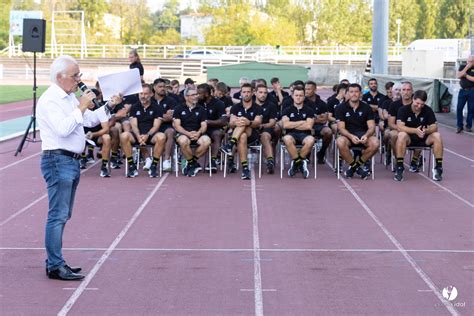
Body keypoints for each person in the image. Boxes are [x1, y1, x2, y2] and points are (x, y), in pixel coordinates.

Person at [37, 55, 122, 280]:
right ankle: (55, 265)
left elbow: (91, 120)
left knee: (64, 214)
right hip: (57, 159)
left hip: (70, 160)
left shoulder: (69, 98)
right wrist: (81, 106)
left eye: (79, 75)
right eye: (75, 76)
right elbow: (63, 130)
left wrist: (110, 105)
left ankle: (55, 262)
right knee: (58, 215)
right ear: (59, 77)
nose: (78, 80)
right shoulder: (50, 100)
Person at [394, 90, 444, 181]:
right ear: (413, 99)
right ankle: (400, 167)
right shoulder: (403, 110)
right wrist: (415, 131)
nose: (419, 106)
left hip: (423, 138)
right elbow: (400, 127)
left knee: (437, 135)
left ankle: (438, 168)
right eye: (417, 103)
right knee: (401, 135)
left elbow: (434, 126)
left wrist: (427, 130)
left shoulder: (428, 110)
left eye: (422, 104)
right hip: (409, 138)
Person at [120, 83, 166, 178]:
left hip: (151, 135)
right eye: (141, 94)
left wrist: (147, 135)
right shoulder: (134, 107)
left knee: (162, 136)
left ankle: (153, 166)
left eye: (145, 94)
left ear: (151, 94)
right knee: (124, 136)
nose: (143, 96)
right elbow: (134, 125)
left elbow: (156, 126)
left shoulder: (157, 107)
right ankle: (132, 167)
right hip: (137, 135)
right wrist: (138, 136)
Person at [335, 83, 379, 179]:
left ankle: (354, 167)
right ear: (347, 94)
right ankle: (356, 167)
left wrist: (366, 135)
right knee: (340, 141)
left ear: (360, 94)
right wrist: (351, 136)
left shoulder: (367, 108)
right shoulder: (340, 108)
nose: (354, 94)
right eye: (351, 92)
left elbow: (371, 127)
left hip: (363, 135)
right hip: (348, 136)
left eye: (356, 92)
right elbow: (341, 128)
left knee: (375, 142)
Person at [221, 83, 263, 180]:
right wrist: (237, 121)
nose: (246, 94)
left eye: (248, 92)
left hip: (253, 135)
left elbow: (258, 122)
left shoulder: (257, 107)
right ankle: (245, 169)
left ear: (252, 93)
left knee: (244, 123)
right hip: (239, 136)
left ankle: (230, 145)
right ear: (241, 93)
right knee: (242, 136)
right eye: (244, 92)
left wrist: (248, 122)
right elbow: (231, 124)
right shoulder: (235, 107)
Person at [173, 87, 211, 177]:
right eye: (193, 95)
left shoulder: (201, 109)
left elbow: (204, 126)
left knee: (207, 141)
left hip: (198, 133)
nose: (196, 97)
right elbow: (177, 126)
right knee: (183, 141)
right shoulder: (178, 108)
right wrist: (188, 133)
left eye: (196, 94)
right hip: (183, 133)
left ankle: (191, 162)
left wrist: (198, 133)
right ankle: (192, 164)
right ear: (186, 97)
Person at [281, 86, 315, 178]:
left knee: (311, 140)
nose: (298, 97)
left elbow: (309, 126)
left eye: (301, 95)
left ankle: (296, 163)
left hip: (305, 135)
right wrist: (301, 122)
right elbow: (285, 125)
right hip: (291, 134)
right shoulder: (287, 110)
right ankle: (300, 162)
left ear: (304, 97)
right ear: (292, 96)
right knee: (286, 139)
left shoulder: (309, 110)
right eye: (296, 95)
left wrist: (293, 123)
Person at [197, 83, 227, 172]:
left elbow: (223, 121)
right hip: (199, 128)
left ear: (206, 94)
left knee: (217, 134)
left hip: (214, 128)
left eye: (199, 94)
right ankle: (192, 161)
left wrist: (208, 122)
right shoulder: (197, 103)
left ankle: (213, 161)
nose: (197, 96)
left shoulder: (219, 103)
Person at [152, 78, 178, 171]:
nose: (163, 88)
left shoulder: (171, 101)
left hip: (165, 126)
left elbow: (171, 117)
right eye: (160, 87)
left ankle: (166, 160)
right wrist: (163, 115)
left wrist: (157, 117)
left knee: (171, 132)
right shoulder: (149, 100)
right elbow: (147, 117)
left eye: (164, 87)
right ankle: (148, 159)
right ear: (154, 88)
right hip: (151, 126)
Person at [304, 81, 332, 164]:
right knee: (307, 131)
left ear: (315, 90)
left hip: (318, 127)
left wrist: (313, 119)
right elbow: (302, 119)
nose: (306, 91)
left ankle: (321, 153)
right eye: (305, 89)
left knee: (328, 132)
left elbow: (324, 120)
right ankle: (306, 155)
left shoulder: (322, 103)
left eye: (309, 89)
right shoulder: (302, 102)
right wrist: (316, 118)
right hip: (304, 126)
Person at [254, 84, 278, 174]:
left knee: (265, 136)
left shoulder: (271, 105)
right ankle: (230, 160)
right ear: (255, 93)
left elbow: (272, 122)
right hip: (251, 129)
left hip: (266, 128)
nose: (263, 95)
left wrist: (262, 126)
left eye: (265, 93)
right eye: (260, 92)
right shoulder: (250, 104)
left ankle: (270, 161)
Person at [456, 55, 474, 133]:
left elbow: (473, 79)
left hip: (472, 91)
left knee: (471, 109)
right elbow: (458, 75)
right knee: (459, 108)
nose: (469, 63)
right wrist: (466, 68)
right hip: (463, 91)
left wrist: (465, 75)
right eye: (468, 61)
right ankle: (459, 126)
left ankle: (468, 126)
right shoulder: (462, 66)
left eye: (471, 61)